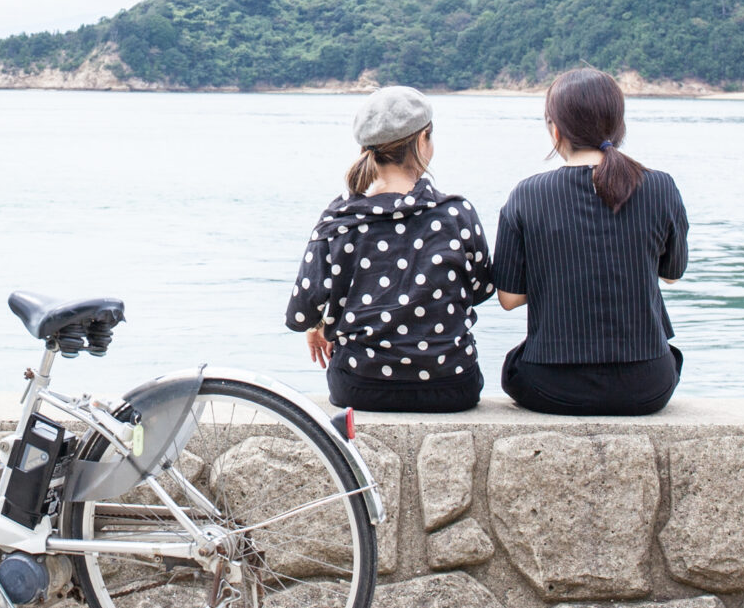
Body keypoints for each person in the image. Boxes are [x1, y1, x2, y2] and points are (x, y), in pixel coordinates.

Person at [284, 85, 495, 413]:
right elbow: (480, 289)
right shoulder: (457, 214)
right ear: (423, 140)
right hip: (451, 386)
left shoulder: (339, 219)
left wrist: (317, 325)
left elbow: (301, 312)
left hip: (360, 386)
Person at [491, 68, 689, 415]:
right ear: (618, 126)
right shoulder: (661, 187)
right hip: (646, 386)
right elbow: (672, 275)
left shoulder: (527, 194)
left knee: (514, 364)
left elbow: (508, 298)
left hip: (550, 385)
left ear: (555, 130)